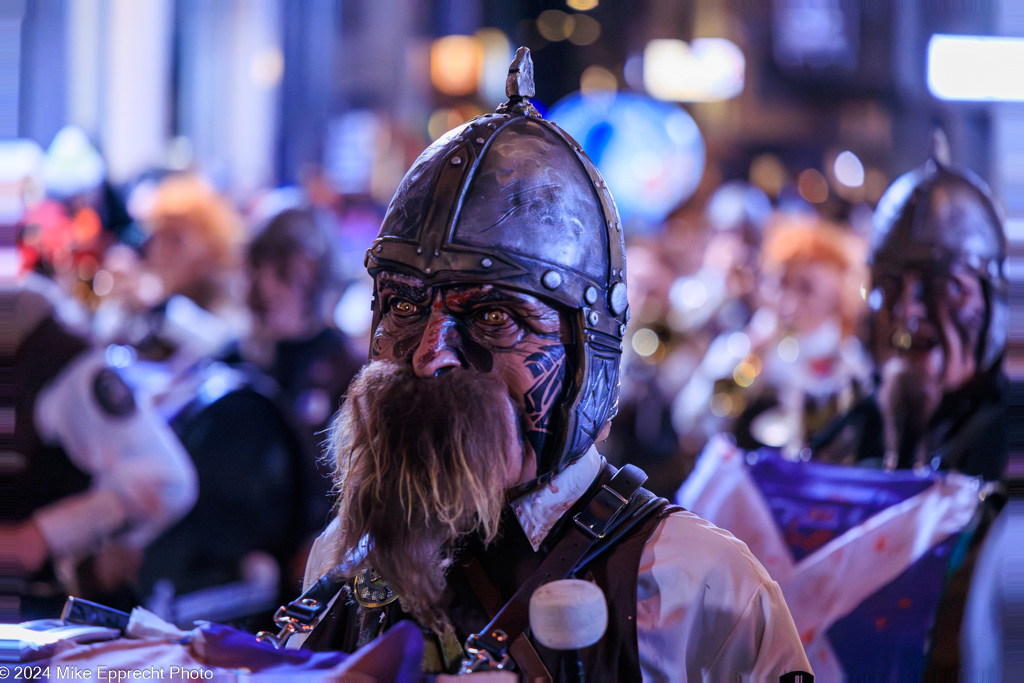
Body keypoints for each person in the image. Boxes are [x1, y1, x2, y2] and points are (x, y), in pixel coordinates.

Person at [294, 48, 812, 680]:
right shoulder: (343, 559)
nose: (430, 357)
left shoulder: (697, 587)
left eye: (492, 318)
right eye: (403, 305)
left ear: (583, 351)